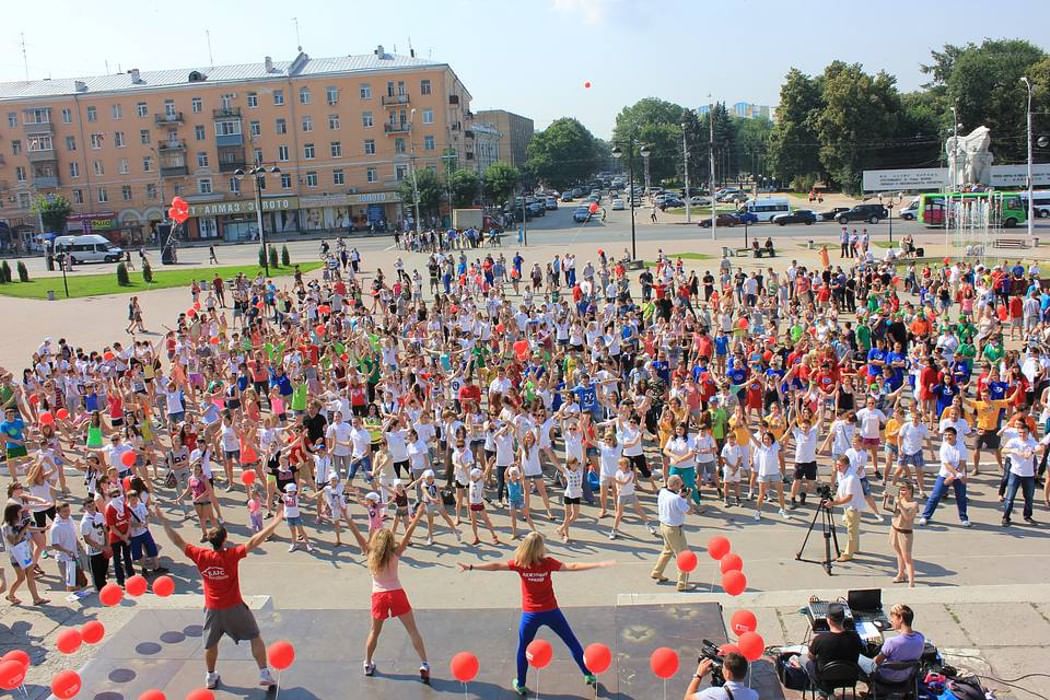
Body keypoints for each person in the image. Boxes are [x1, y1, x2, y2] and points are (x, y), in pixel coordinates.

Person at [457, 531, 612, 696]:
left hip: (530, 615)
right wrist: (597, 564)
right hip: (552, 612)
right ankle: (588, 674)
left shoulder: (520, 563)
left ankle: (521, 684)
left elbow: (496, 566)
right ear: (540, 549)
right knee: (571, 642)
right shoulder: (548, 563)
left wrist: (472, 567)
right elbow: (572, 567)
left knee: (523, 648)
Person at [152, 500, 282, 690]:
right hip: (235, 606)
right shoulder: (231, 555)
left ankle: (211, 676)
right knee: (255, 636)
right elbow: (254, 541)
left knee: (211, 643)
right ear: (225, 539)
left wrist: (164, 521)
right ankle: (264, 673)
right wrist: (276, 521)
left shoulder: (201, 555)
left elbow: (178, 541)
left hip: (212, 609)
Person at [343, 504, 431, 682]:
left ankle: (368, 663)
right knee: (412, 630)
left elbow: (356, 533)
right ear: (390, 542)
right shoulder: (396, 553)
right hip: (397, 593)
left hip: (379, 596)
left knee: (374, 632)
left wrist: (346, 516)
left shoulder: (369, 553)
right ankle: (424, 663)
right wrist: (419, 514)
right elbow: (409, 532)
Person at [797, 602, 865, 688]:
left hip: (825, 680)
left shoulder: (820, 639)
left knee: (802, 658)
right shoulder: (855, 637)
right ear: (844, 618)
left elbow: (811, 657)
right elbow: (863, 652)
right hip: (849, 679)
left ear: (828, 620)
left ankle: (824, 692)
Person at [858, 603, 925, 683]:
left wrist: (874, 658)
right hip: (905, 677)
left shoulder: (891, 642)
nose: (891, 621)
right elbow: (910, 634)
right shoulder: (920, 638)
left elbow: (877, 662)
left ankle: (869, 683)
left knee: (857, 656)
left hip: (886, 677)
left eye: (893, 618)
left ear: (900, 619)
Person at [918, 426, 971, 527]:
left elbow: (963, 462)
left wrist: (957, 475)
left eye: (950, 435)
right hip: (945, 475)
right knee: (935, 496)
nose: (947, 437)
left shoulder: (961, 446)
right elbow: (947, 464)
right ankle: (925, 516)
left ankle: (964, 518)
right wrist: (954, 475)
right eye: (946, 435)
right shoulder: (944, 447)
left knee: (961, 497)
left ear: (955, 436)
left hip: (958, 475)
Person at [650, 474, 693, 591]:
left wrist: (681, 496)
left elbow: (673, 500)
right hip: (674, 529)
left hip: (663, 526)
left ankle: (657, 572)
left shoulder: (663, 492)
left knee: (667, 550)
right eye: (680, 484)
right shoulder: (677, 499)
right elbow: (690, 511)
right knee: (683, 556)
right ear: (675, 485)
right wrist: (688, 498)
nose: (681, 486)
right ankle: (682, 583)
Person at [825, 456, 865, 562]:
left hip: (853, 506)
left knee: (851, 530)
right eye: (837, 465)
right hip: (847, 505)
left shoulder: (852, 477)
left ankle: (848, 554)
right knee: (851, 526)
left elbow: (849, 497)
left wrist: (834, 503)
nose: (838, 467)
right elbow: (841, 488)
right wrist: (835, 498)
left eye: (840, 465)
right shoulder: (841, 473)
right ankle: (854, 547)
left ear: (847, 465)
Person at [683, 651, 758, 700]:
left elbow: (687, 698)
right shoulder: (753, 695)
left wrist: (699, 675)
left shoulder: (713, 694)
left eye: (723, 668)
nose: (722, 670)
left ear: (728, 674)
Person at [887, 482, 918, 586]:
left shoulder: (913, 504)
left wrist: (900, 505)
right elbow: (888, 501)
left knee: (907, 557)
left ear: (910, 490)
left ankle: (911, 581)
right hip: (894, 528)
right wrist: (887, 496)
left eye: (904, 489)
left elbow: (908, 517)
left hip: (905, 532)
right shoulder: (898, 497)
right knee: (898, 553)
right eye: (900, 489)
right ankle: (901, 574)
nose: (902, 492)